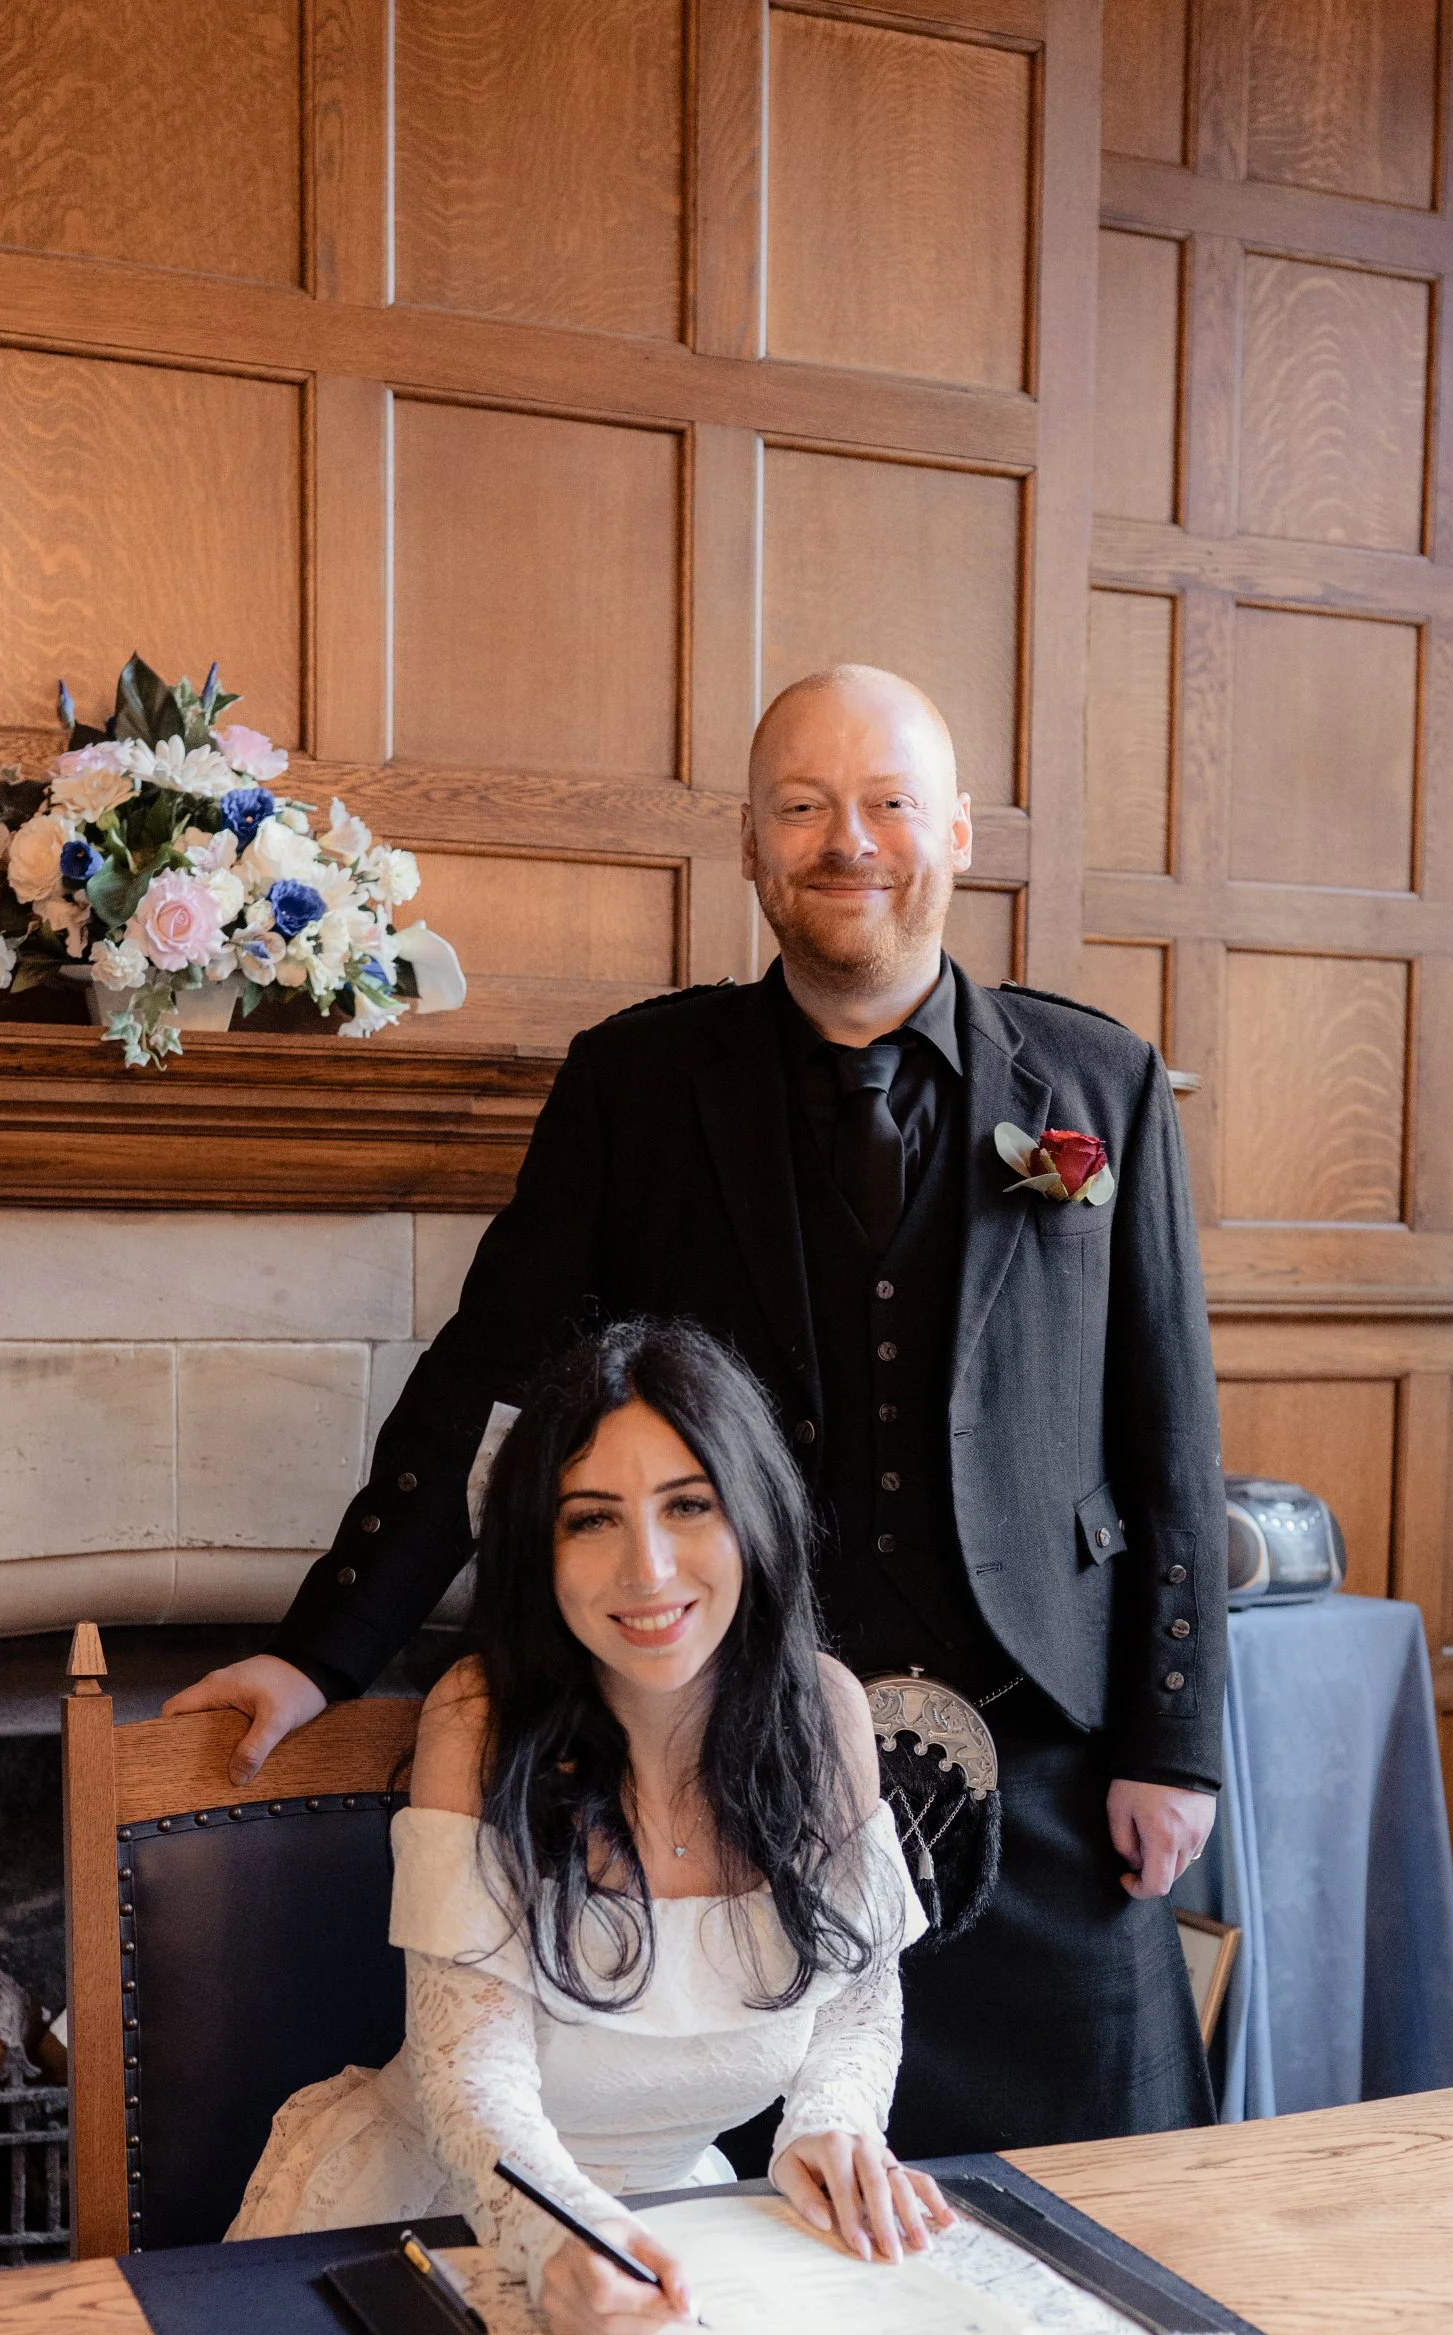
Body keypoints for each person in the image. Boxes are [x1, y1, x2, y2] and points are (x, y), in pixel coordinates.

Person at [171, 662, 1226, 2152]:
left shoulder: (1097, 1083)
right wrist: (321, 1647)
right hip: (735, 1791)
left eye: (885, 804)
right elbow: (487, 1382)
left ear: (962, 834)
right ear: (749, 845)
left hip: (1045, 1774)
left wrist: (1172, 1742)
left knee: (1101, 2224)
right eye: (801, 808)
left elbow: (1171, 1440)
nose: (845, 841)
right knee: (768, 2262)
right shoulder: (637, 1085)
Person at [228, 1318, 948, 2335]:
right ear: (539, 1547)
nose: (647, 1571)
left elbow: (858, 1991)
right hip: (426, 2216)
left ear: (755, 1514)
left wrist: (832, 2120)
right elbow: (470, 2081)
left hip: (681, 2233)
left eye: (688, 1506)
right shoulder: (478, 1719)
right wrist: (557, 2232)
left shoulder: (827, 1712)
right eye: (592, 1520)